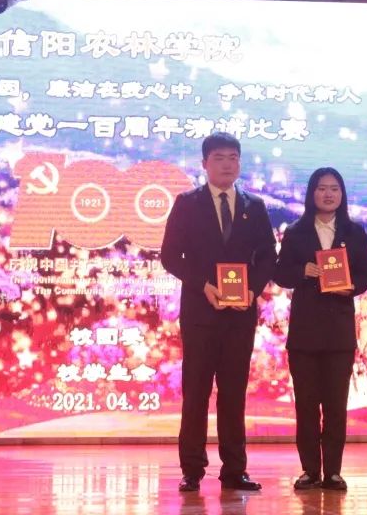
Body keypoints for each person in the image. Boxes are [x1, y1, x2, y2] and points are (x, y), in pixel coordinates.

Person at [160, 133, 277, 492]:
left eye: (233, 158)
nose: (227, 164)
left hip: (240, 315)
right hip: (200, 313)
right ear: (204, 164)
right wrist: (204, 285)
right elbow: (170, 256)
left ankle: (234, 470)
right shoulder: (187, 203)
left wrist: (252, 290)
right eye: (219, 158)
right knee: (196, 393)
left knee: (233, 393)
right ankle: (192, 469)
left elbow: (268, 255)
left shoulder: (255, 206)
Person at [275, 167, 367, 491]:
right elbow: (280, 273)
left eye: (334, 188)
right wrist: (302, 270)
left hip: (338, 332)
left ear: (342, 194)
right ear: (311, 193)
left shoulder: (354, 232)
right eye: (321, 188)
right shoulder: (296, 231)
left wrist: (351, 287)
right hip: (304, 332)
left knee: (335, 405)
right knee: (305, 406)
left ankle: (333, 471)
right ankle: (309, 470)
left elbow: (366, 275)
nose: (328, 194)